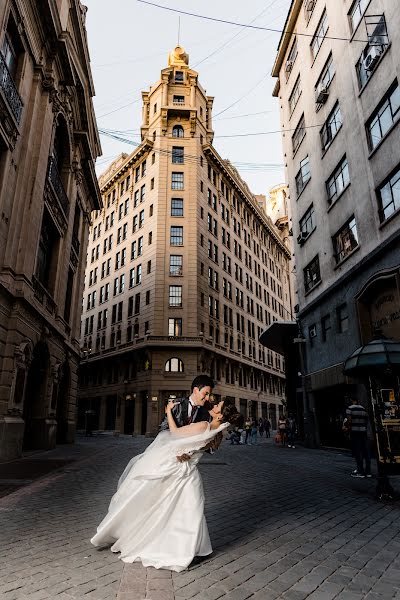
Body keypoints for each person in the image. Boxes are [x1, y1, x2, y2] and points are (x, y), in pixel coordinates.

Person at [91, 399, 240, 572]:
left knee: (190, 509)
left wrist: (169, 411)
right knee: (181, 508)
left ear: (220, 415)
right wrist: (184, 451)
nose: (213, 406)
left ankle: (190, 548)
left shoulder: (207, 427)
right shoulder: (216, 431)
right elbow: (184, 441)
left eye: (217, 406)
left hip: (186, 471)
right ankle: (179, 547)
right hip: (180, 470)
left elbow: (175, 433)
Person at [346, 399, 371, 478]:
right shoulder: (363, 409)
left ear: (352, 401)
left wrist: (348, 429)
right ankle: (368, 472)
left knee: (358, 452)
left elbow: (349, 421)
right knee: (366, 452)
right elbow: (367, 420)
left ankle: (360, 472)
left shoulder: (350, 408)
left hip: (355, 432)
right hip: (363, 432)